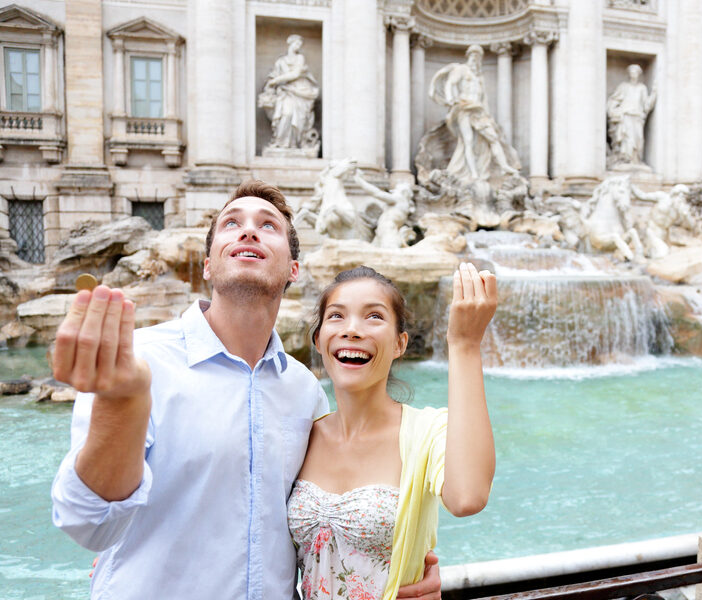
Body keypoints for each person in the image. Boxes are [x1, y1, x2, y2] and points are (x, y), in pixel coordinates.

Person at [50, 180, 440, 599]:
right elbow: (88, 524)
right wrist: (120, 406)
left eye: (267, 225)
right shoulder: (138, 362)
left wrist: (401, 578)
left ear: (293, 268)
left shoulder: (305, 391)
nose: (248, 231)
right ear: (206, 264)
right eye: (231, 223)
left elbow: (325, 525)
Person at [289, 263, 497, 600]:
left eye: (374, 317)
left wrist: (464, 344)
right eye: (337, 316)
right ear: (318, 340)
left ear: (400, 344)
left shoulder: (428, 432)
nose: (352, 330)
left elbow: (468, 497)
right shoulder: (300, 435)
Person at [429, 44, 519, 182]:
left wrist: (487, 114)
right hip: (464, 108)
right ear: (468, 56)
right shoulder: (461, 69)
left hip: (479, 111)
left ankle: (504, 166)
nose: (475, 59)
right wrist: (451, 99)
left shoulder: (479, 77)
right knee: (468, 141)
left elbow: (484, 99)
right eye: (473, 55)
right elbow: (450, 84)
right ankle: (474, 173)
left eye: (478, 56)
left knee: (493, 139)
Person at [259, 34, 320, 152]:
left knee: (297, 119)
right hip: (284, 93)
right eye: (296, 43)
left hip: (298, 91)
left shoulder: (300, 58)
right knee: (286, 114)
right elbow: (273, 76)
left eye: (300, 45)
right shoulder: (280, 61)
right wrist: (271, 84)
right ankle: (281, 143)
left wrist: (276, 81)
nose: (298, 46)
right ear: (290, 43)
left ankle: (293, 144)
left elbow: (295, 74)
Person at [607, 64, 656, 167]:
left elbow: (646, 105)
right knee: (627, 139)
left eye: (635, 72)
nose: (633, 74)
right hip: (625, 116)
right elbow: (614, 100)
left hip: (637, 117)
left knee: (638, 140)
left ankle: (635, 160)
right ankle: (625, 159)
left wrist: (654, 94)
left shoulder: (642, 88)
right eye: (632, 72)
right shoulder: (623, 86)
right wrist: (613, 110)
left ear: (639, 74)